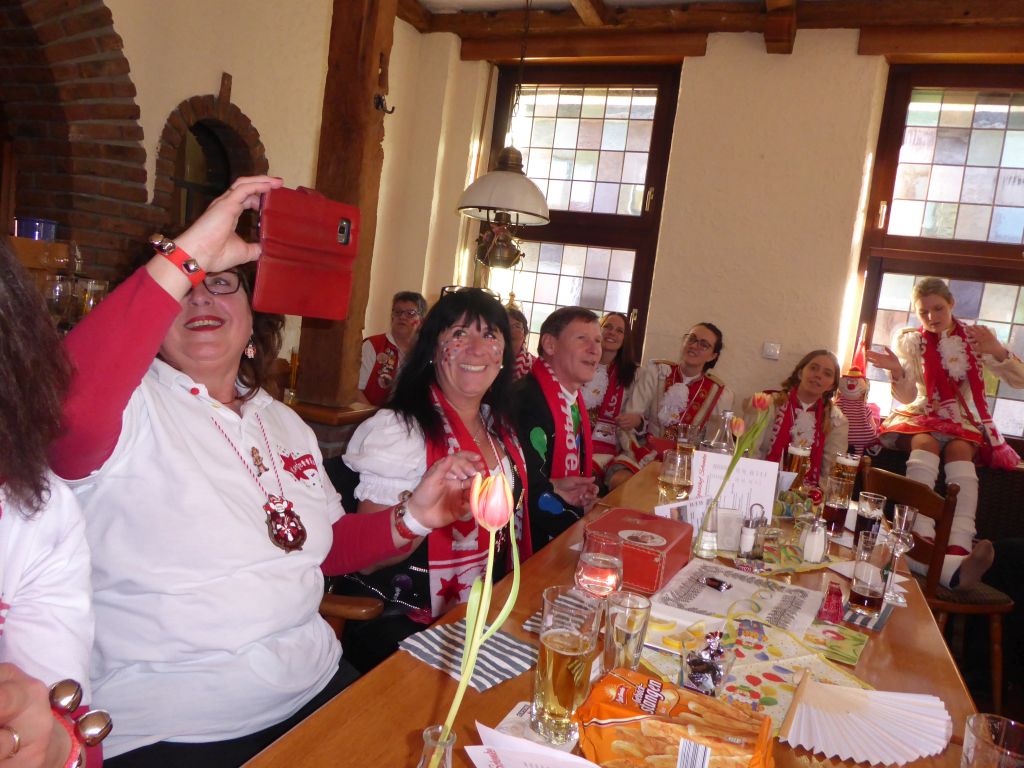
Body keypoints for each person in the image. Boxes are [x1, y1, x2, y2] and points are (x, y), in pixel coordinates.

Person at [48, 176, 481, 766]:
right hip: (173, 723)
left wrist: (413, 517)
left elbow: (322, 548)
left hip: (314, 684)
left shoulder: (282, 421)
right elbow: (64, 405)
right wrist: (190, 252)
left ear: (254, 318)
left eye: (222, 283)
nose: (200, 297)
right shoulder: (123, 411)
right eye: (185, 286)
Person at [340, 288, 532, 671]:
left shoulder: (500, 430)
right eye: (459, 333)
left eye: (490, 335)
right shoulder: (399, 431)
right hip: (405, 622)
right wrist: (420, 513)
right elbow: (368, 563)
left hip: (484, 609)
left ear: (503, 357)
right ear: (432, 348)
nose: (476, 349)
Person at [0, 239, 98, 767]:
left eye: (223, 285)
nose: (202, 301)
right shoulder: (136, 400)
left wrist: (55, 745)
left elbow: (72, 730)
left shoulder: (35, 511)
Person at [866, 277, 1024, 587]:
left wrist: (997, 350)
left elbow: (1019, 381)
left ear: (951, 304)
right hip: (922, 415)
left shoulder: (976, 338)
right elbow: (908, 396)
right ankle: (919, 534)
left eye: (938, 308)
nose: (931, 317)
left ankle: (959, 546)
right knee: (925, 444)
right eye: (923, 312)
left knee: (960, 450)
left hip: (961, 419)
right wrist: (896, 371)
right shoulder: (911, 341)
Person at [511, 307, 602, 548]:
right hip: (524, 543)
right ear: (550, 345)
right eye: (582, 338)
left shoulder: (571, 399)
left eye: (597, 341)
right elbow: (526, 489)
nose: (594, 349)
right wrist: (585, 526)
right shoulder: (526, 401)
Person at [605, 323, 733, 490]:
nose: (694, 346)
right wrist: (637, 429)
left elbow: (713, 445)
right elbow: (630, 419)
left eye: (704, 344)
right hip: (643, 452)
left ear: (712, 356)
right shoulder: (657, 372)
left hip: (685, 465)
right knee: (620, 480)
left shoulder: (719, 393)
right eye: (692, 339)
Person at [750, 349, 849, 487]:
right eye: (813, 368)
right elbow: (751, 452)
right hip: (762, 485)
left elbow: (830, 473)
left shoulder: (836, 420)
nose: (818, 375)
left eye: (827, 373)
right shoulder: (769, 404)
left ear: (832, 385)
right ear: (800, 373)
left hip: (809, 494)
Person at [582, 313, 638, 480]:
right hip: (572, 439)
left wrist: (637, 420)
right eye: (607, 327)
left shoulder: (636, 375)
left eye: (619, 330)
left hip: (609, 447)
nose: (612, 332)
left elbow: (642, 416)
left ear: (625, 339)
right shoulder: (579, 363)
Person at [356, 290, 427, 406]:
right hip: (373, 413)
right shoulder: (373, 345)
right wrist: (376, 415)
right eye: (398, 312)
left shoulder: (426, 351)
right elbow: (355, 389)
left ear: (422, 321)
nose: (402, 317)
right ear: (392, 316)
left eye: (410, 313)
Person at [508, 305, 534, 381]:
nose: (511, 330)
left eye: (517, 326)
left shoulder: (534, 365)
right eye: (506, 325)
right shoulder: (488, 361)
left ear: (524, 333)